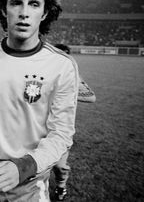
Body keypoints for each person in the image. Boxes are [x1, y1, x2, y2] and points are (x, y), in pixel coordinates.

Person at [0, 0, 79, 201]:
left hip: (29, 179)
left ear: (45, 12)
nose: (24, 13)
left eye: (34, 4)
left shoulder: (61, 65)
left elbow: (62, 133)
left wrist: (23, 167)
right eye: (16, 3)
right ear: (2, 9)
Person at [52, 43, 96, 201]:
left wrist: (65, 93)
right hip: (37, 127)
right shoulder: (42, 71)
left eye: (65, 56)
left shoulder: (73, 75)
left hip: (60, 128)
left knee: (59, 166)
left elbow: (91, 97)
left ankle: (61, 187)